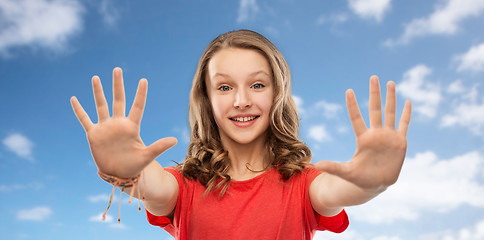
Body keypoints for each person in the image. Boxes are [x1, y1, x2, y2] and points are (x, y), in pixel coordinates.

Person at [70, 29, 411, 240]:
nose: (241, 100)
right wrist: (125, 170)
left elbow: (339, 190)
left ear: (277, 94)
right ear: (207, 98)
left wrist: (373, 182)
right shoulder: (184, 186)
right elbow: (153, 186)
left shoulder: (304, 184)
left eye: (257, 84)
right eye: (225, 87)